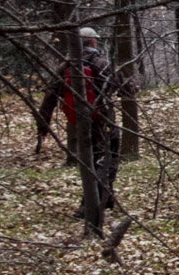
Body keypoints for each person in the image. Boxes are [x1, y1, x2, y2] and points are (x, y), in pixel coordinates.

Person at [36, 27, 131, 214]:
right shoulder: (102, 64)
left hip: (79, 123)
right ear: (93, 42)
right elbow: (123, 89)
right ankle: (89, 206)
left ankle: (105, 200)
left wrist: (43, 125)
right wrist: (133, 82)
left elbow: (50, 96)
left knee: (91, 160)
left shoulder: (65, 67)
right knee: (107, 161)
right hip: (103, 121)